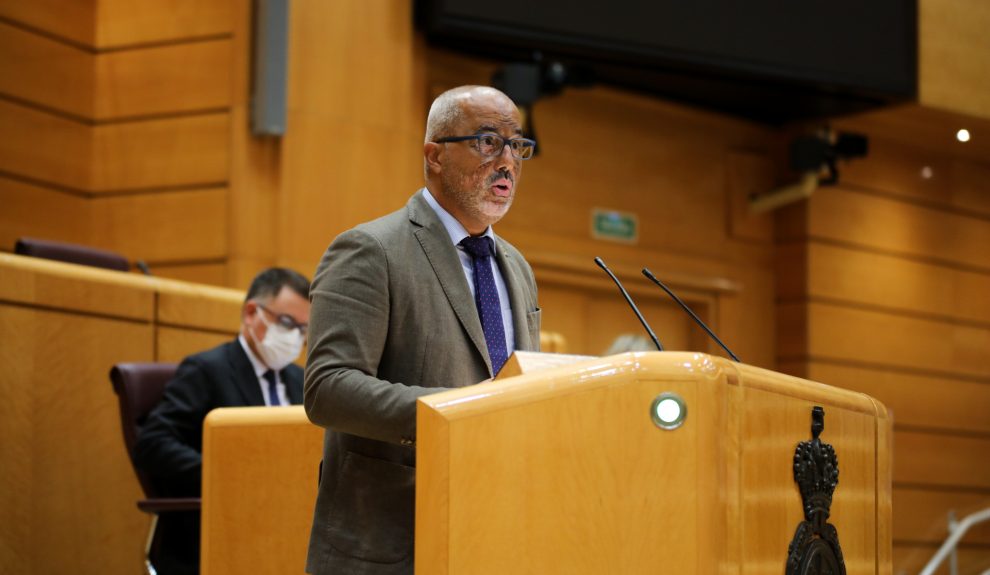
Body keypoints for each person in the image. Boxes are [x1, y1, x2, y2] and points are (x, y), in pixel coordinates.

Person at [304, 85, 541, 575]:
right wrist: (458, 415)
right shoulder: (372, 249)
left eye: (517, 145)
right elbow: (328, 389)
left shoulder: (516, 267)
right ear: (434, 155)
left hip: (496, 531)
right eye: (487, 142)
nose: (508, 162)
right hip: (392, 541)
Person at [133, 267, 311, 575]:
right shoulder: (206, 370)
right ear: (251, 313)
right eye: (287, 323)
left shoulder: (301, 380)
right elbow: (153, 444)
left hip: (290, 526)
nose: (295, 337)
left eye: (304, 329)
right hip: (224, 527)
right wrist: (228, 477)